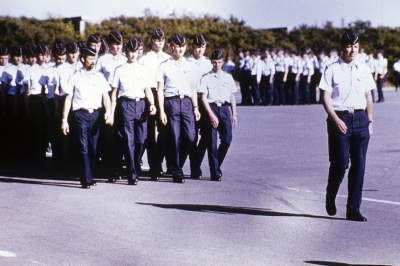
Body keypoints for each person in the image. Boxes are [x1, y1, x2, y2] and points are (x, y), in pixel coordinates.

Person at [319, 30, 374, 222]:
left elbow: (368, 97)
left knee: (359, 164)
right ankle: (331, 194)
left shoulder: (364, 69)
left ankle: (353, 209)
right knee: (340, 163)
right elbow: (325, 97)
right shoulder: (332, 69)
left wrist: (370, 121)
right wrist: (335, 118)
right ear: (342, 48)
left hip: (360, 120)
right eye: (349, 46)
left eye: (355, 47)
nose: (352, 50)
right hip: (339, 119)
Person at [61, 47, 112, 189]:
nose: (93, 62)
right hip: (80, 115)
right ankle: (85, 179)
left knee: (93, 148)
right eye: (90, 59)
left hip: (96, 115)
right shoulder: (75, 77)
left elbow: (106, 96)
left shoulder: (99, 77)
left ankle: (89, 175)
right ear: (82, 59)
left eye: (94, 59)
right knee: (83, 147)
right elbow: (68, 99)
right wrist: (64, 120)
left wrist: (108, 111)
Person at [110, 38, 156, 185]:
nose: (133, 55)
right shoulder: (120, 70)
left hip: (141, 104)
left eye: (136, 52)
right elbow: (114, 92)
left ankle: (134, 165)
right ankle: (132, 173)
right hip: (126, 105)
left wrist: (153, 104)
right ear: (126, 52)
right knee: (129, 140)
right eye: (130, 52)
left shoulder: (144, 69)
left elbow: (147, 89)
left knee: (141, 139)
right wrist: (112, 110)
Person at [156, 34, 201, 183]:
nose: (180, 49)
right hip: (171, 102)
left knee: (190, 137)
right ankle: (176, 171)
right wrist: (161, 110)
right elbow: (160, 89)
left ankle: (176, 164)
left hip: (187, 102)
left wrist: (195, 107)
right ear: (172, 47)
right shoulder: (164, 65)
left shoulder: (190, 65)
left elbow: (193, 87)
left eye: (183, 46)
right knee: (174, 137)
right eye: (177, 46)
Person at [199, 49, 237, 181]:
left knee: (227, 140)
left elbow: (232, 96)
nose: (216, 65)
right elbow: (203, 98)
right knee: (212, 143)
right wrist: (210, 115)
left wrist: (234, 113)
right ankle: (214, 172)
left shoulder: (228, 77)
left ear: (223, 62)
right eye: (214, 62)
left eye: (219, 62)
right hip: (212, 108)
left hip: (225, 109)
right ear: (211, 62)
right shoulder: (206, 78)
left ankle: (217, 165)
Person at [139, 28, 170, 180]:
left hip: (163, 94)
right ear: (151, 41)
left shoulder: (168, 58)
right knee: (150, 133)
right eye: (157, 40)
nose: (159, 43)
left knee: (164, 132)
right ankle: (153, 167)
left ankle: (159, 161)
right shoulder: (145, 59)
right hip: (149, 93)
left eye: (162, 40)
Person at [187, 34, 212, 179]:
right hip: (191, 100)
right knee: (192, 136)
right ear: (192, 47)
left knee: (206, 135)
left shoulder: (208, 63)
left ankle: (196, 163)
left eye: (202, 47)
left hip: (205, 101)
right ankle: (194, 166)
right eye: (197, 47)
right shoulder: (188, 62)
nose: (200, 50)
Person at [23, 43, 50, 165]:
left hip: (47, 99)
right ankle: (37, 157)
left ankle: (44, 154)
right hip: (35, 100)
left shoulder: (50, 68)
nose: (43, 58)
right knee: (36, 130)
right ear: (36, 55)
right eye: (40, 55)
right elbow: (27, 91)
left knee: (46, 129)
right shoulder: (30, 70)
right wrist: (28, 109)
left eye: (45, 55)